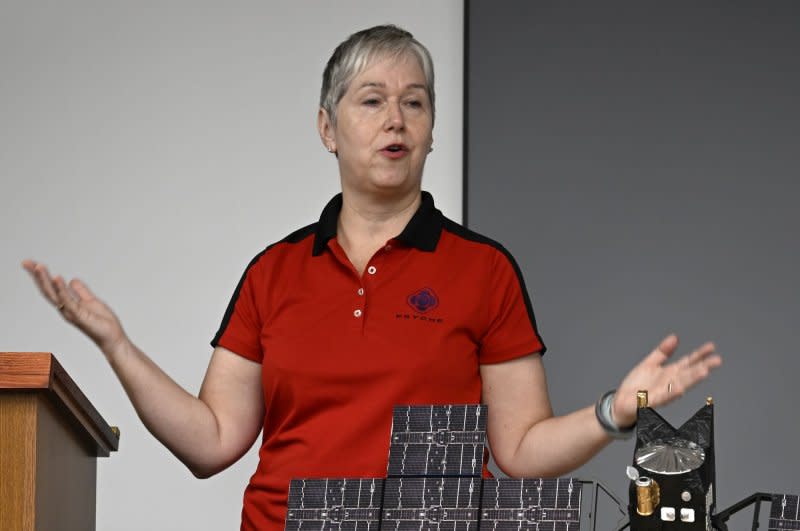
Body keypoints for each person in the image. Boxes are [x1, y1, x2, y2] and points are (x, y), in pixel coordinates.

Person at [22, 25, 721, 531]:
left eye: (414, 102)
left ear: (431, 128)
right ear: (327, 127)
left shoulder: (484, 269)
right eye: (372, 100)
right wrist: (116, 343)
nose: (396, 119)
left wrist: (616, 410)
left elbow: (521, 450)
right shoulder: (273, 272)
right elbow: (210, 442)